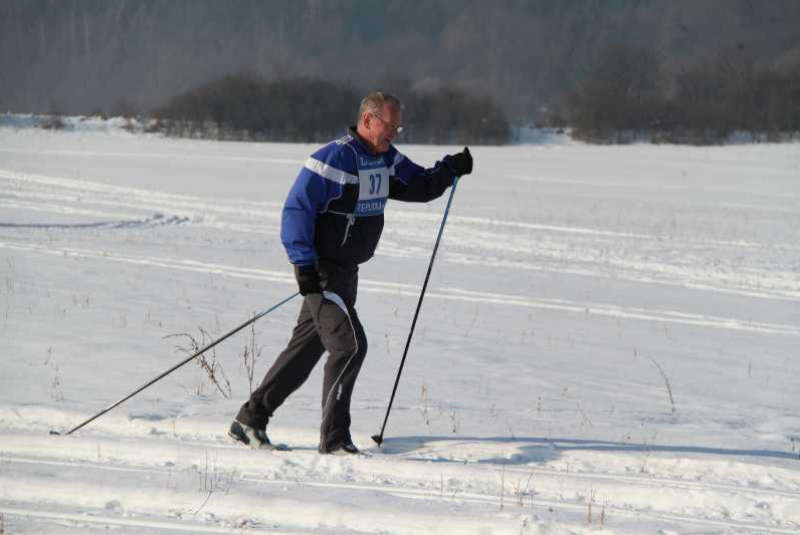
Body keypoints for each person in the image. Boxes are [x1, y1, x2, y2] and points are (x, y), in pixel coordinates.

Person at [229, 91, 473, 454]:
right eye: (389, 125)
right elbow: (296, 210)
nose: (394, 133)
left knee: (304, 352)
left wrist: (449, 169)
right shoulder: (335, 158)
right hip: (322, 273)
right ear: (368, 120)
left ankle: (249, 420)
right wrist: (304, 267)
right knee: (350, 346)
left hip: (346, 274)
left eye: (397, 126)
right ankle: (335, 440)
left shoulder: (384, 159)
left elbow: (417, 185)